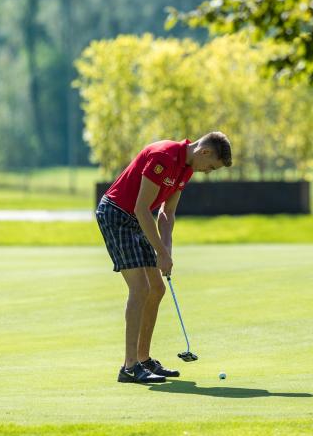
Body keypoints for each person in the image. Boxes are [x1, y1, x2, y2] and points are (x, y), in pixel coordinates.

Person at [95, 132, 232, 383]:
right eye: (211, 167)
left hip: (138, 218)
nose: (209, 171)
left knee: (157, 288)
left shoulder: (186, 169)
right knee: (140, 288)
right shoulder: (163, 157)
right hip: (116, 214)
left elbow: (167, 214)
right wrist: (160, 251)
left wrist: (166, 252)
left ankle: (143, 359)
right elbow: (140, 207)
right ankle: (129, 367)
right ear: (204, 152)